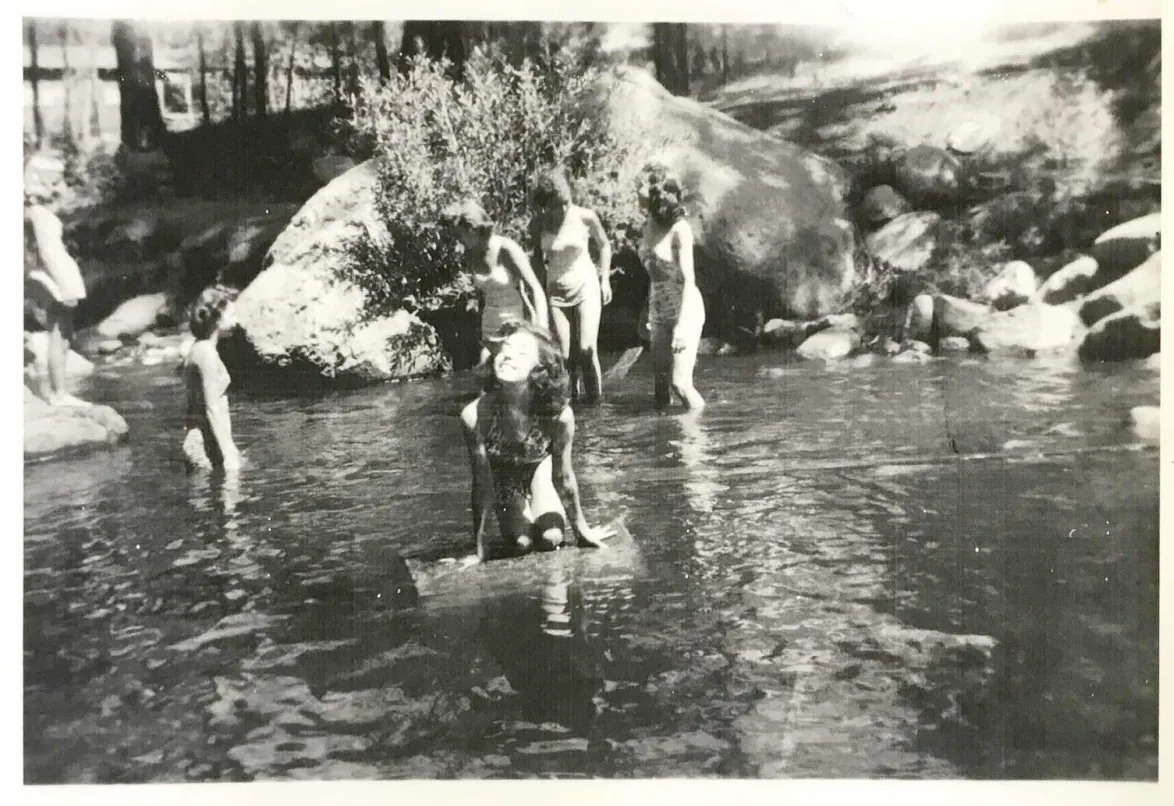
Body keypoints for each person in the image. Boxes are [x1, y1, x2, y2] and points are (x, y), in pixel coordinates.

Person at [460, 321, 614, 562]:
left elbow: (564, 477)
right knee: (521, 543)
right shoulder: (475, 415)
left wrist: (581, 530)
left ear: (539, 368)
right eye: (506, 348)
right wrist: (477, 549)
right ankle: (517, 512)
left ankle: (540, 503)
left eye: (522, 352)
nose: (508, 355)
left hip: (539, 471)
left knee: (551, 539)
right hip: (505, 478)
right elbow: (481, 484)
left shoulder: (558, 415)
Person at [528, 169, 613, 405]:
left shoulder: (586, 217)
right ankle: (572, 404)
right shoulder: (538, 225)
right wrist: (540, 290)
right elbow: (536, 258)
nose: (563, 209)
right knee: (564, 356)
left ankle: (596, 404)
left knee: (586, 349)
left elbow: (604, 246)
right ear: (544, 205)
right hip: (556, 293)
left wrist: (605, 279)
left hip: (586, 287)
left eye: (565, 203)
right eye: (556, 206)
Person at [442, 199, 550, 366]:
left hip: (515, 323)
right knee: (486, 373)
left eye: (460, 234)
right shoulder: (471, 254)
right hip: (489, 324)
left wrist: (541, 331)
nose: (458, 240)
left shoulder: (506, 249)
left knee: (515, 374)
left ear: (474, 229)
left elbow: (536, 289)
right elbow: (483, 293)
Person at [23, 153, 90, 408]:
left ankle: (59, 392)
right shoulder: (37, 212)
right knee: (59, 333)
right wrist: (65, 287)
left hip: (56, 275)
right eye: (54, 179)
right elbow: (47, 253)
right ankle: (59, 393)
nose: (58, 183)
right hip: (55, 278)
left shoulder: (34, 209)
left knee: (64, 334)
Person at [637, 166, 706, 411]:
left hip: (684, 311)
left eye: (641, 189)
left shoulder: (680, 230)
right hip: (658, 310)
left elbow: (688, 279)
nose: (637, 193)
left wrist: (680, 327)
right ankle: (663, 443)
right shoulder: (648, 225)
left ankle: (698, 436)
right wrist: (647, 309)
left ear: (657, 195)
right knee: (660, 387)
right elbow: (654, 273)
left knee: (680, 384)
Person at [182, 285, 242, 473]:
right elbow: (212, 407)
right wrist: (229, 452)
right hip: (205, 445)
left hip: (207, 441)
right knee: (228, 493)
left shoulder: (201, 347)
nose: (237, 320)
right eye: (232, 315)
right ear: (216, 319)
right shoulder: (205, 352)